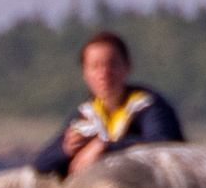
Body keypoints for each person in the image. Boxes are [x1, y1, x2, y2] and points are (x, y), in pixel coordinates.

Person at [33, 31, 184, 178]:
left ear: (127, 67)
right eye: (95, 66)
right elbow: (40, 165)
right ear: (85, 74)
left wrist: (105, 146)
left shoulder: (147, 105)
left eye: (112, 64)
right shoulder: (86, 114)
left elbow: (163, 142)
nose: (104, 73)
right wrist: (66, 149)